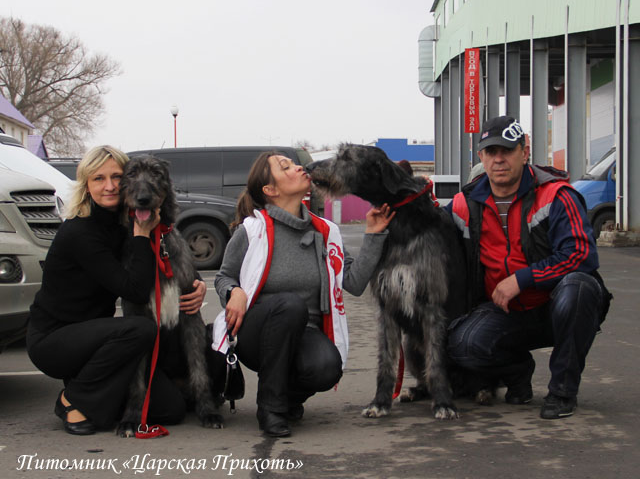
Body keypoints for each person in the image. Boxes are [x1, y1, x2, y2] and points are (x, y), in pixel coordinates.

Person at [26, 145, 206, 435]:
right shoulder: (79, 231)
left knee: (170, 410)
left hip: (104, 339)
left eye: (116, 177)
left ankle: (93, 388)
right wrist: (141, 235)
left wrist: (197, 288)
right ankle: (72, 399)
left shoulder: (122, 223)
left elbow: (168, 263)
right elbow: (135, 290)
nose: (109, 186)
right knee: (139, 328)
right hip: (57, 339)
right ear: (85, 184)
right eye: (98, 179)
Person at [213, 151, 394, 437]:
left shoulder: (326, 232)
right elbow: (223, 276)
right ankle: (270, 408)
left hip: (305, 331)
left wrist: (373, 234)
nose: (298, 167)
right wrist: (233, 291)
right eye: (286, 167)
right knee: (290, 305)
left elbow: (355, 283)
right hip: (256, 332)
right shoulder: (252, 229)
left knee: (327, 367)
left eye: (294, 163)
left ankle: (287, 399)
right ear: (270, 190)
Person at [446, 116, 611, 419]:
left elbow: (581, 255)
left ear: (525, 152)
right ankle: (518, 371)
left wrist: (521, 279)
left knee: (580, 286)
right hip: (506, 311)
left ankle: (562, 391)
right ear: (480, 156)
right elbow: (429, 231)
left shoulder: (557, 196)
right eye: (491, 151)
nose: (499, 159)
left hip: (558, 307)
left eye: (507, 150)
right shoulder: (463, 204)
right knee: (463, 344)